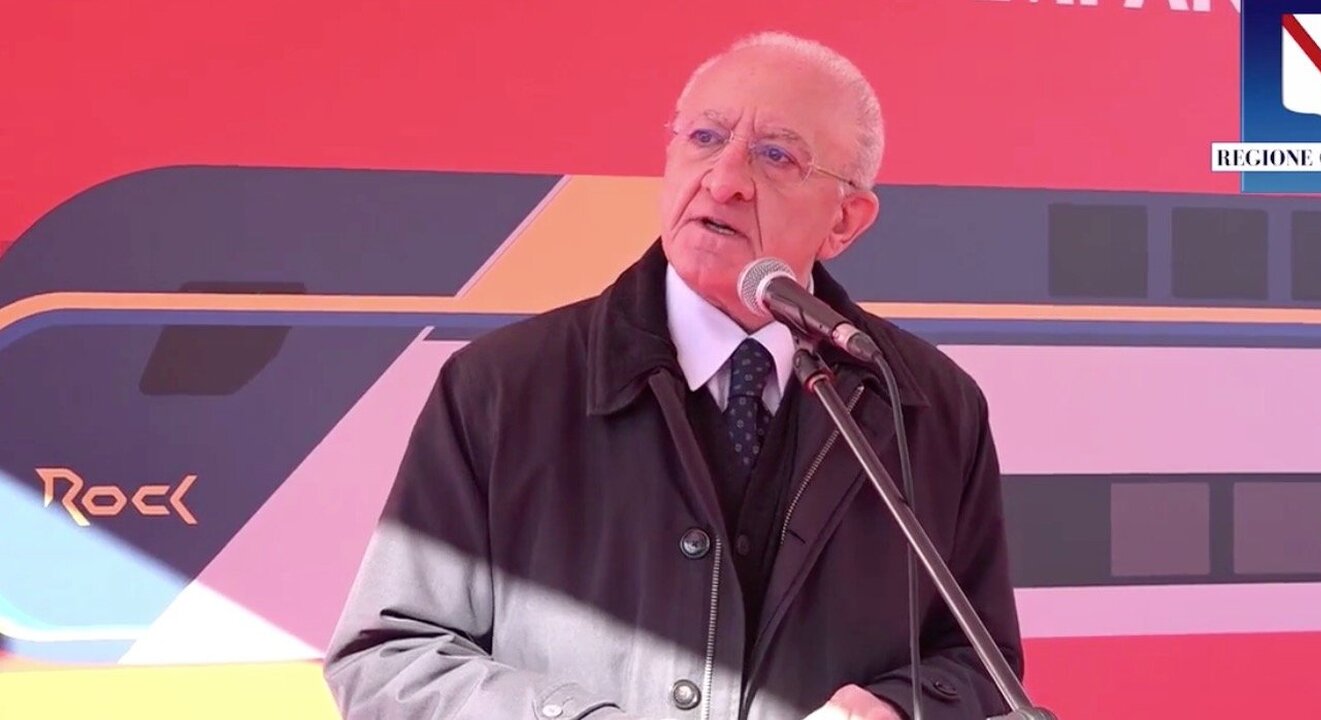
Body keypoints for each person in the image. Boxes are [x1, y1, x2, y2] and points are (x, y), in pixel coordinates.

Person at [324, 30, 1023, 720]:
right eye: (705, 138)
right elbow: (390, 660)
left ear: (844, 220)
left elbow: (977, 662)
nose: (723, 181)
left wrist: (894, 709)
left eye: (776, 156)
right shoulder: (501, 387)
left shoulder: (930, 406)